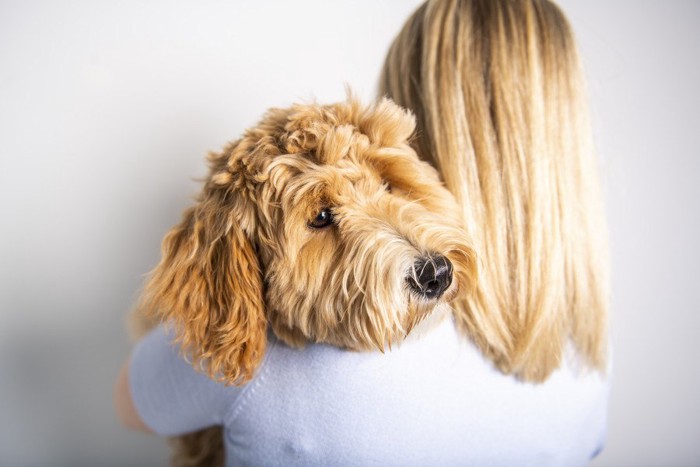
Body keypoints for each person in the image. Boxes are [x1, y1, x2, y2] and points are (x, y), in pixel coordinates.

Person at [115, 0, 610, 465]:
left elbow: (129, 403)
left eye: (389, 183)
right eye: (323, 218)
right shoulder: (588, 363)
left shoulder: (259, 375)